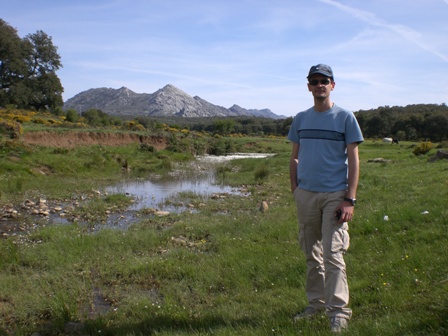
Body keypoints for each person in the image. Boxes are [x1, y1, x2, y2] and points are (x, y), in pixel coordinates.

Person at [287, 64, 364, 333]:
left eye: (324, 80)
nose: (320, 84)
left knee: (333, 254)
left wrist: (349, 199)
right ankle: (316, 305)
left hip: (335, 195)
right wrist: (295, 188)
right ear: (308, 86)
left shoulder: (345, 118)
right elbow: (294, 155)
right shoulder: (300, 119)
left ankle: (339, 312)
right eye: (314, 80)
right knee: (312, 254)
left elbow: (354, 161)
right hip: (305, 196)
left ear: (333, 85)